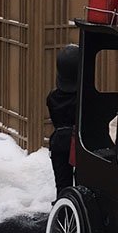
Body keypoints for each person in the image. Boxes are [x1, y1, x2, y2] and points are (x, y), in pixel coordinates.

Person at [46, 44, 79, 191]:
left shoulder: (52, 97)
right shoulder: (83, 98)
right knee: (82, 183)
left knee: (62, 184)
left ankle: (62, 208)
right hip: (79, 141)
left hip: (59, 142)